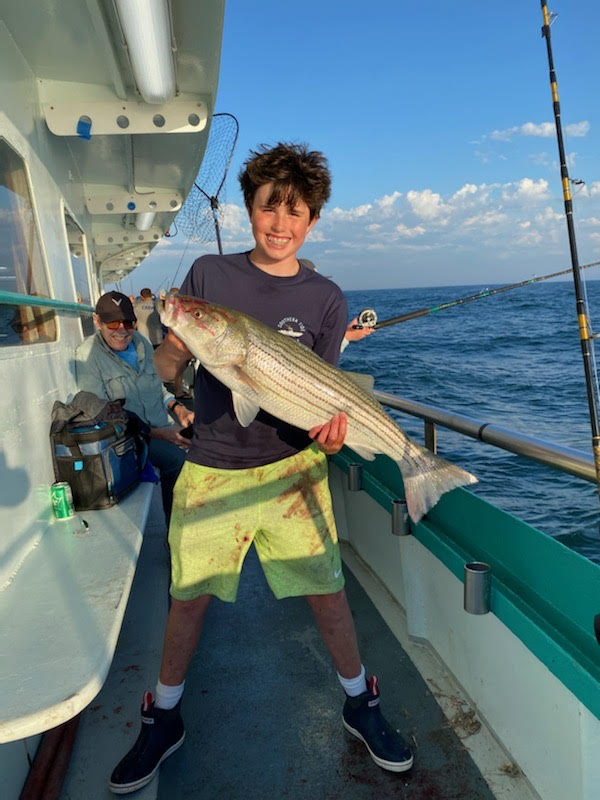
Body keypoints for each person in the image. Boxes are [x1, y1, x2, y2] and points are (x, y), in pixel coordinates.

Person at [108, 143, 413, 795]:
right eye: (269, 207)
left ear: (312, 219)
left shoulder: (327, 298)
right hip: (212, 467)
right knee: (187, 599)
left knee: (327, 592)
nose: (280, 222)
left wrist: (333, 440)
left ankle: (361, 702)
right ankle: (164, 717)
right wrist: (175, 352)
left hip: (294, 474)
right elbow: (168, 363)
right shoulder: (208, 278)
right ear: (250, 210)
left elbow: (325, 396)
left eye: (296, 211)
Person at [74, 291, 193, 525]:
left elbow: (158, 388)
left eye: (128, 323)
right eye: (112, 323)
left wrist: (178, 409)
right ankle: (175, 532)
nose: (121, 330)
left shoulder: (142, 343)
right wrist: (160, 434)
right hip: (127, 439)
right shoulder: (87, 355)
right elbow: (104, 415)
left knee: (206, 444)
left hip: (163, 427)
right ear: (97, 322)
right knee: (178, 462)